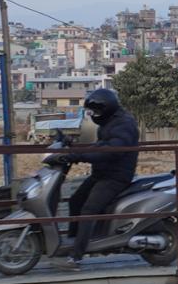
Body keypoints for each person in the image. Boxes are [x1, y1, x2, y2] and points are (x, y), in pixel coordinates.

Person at [59, 88, 140, 263]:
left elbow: (110, 151)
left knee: (89, 210)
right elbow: (99, 146)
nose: (94, 114)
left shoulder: (123, 124)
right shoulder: (109, 122)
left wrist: (80, 156)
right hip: (102, 173)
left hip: (115, 176)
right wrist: (74, 148)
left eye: (96, 111)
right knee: (75, 201)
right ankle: (73, 240)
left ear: (106, 108)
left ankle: (76, 256)